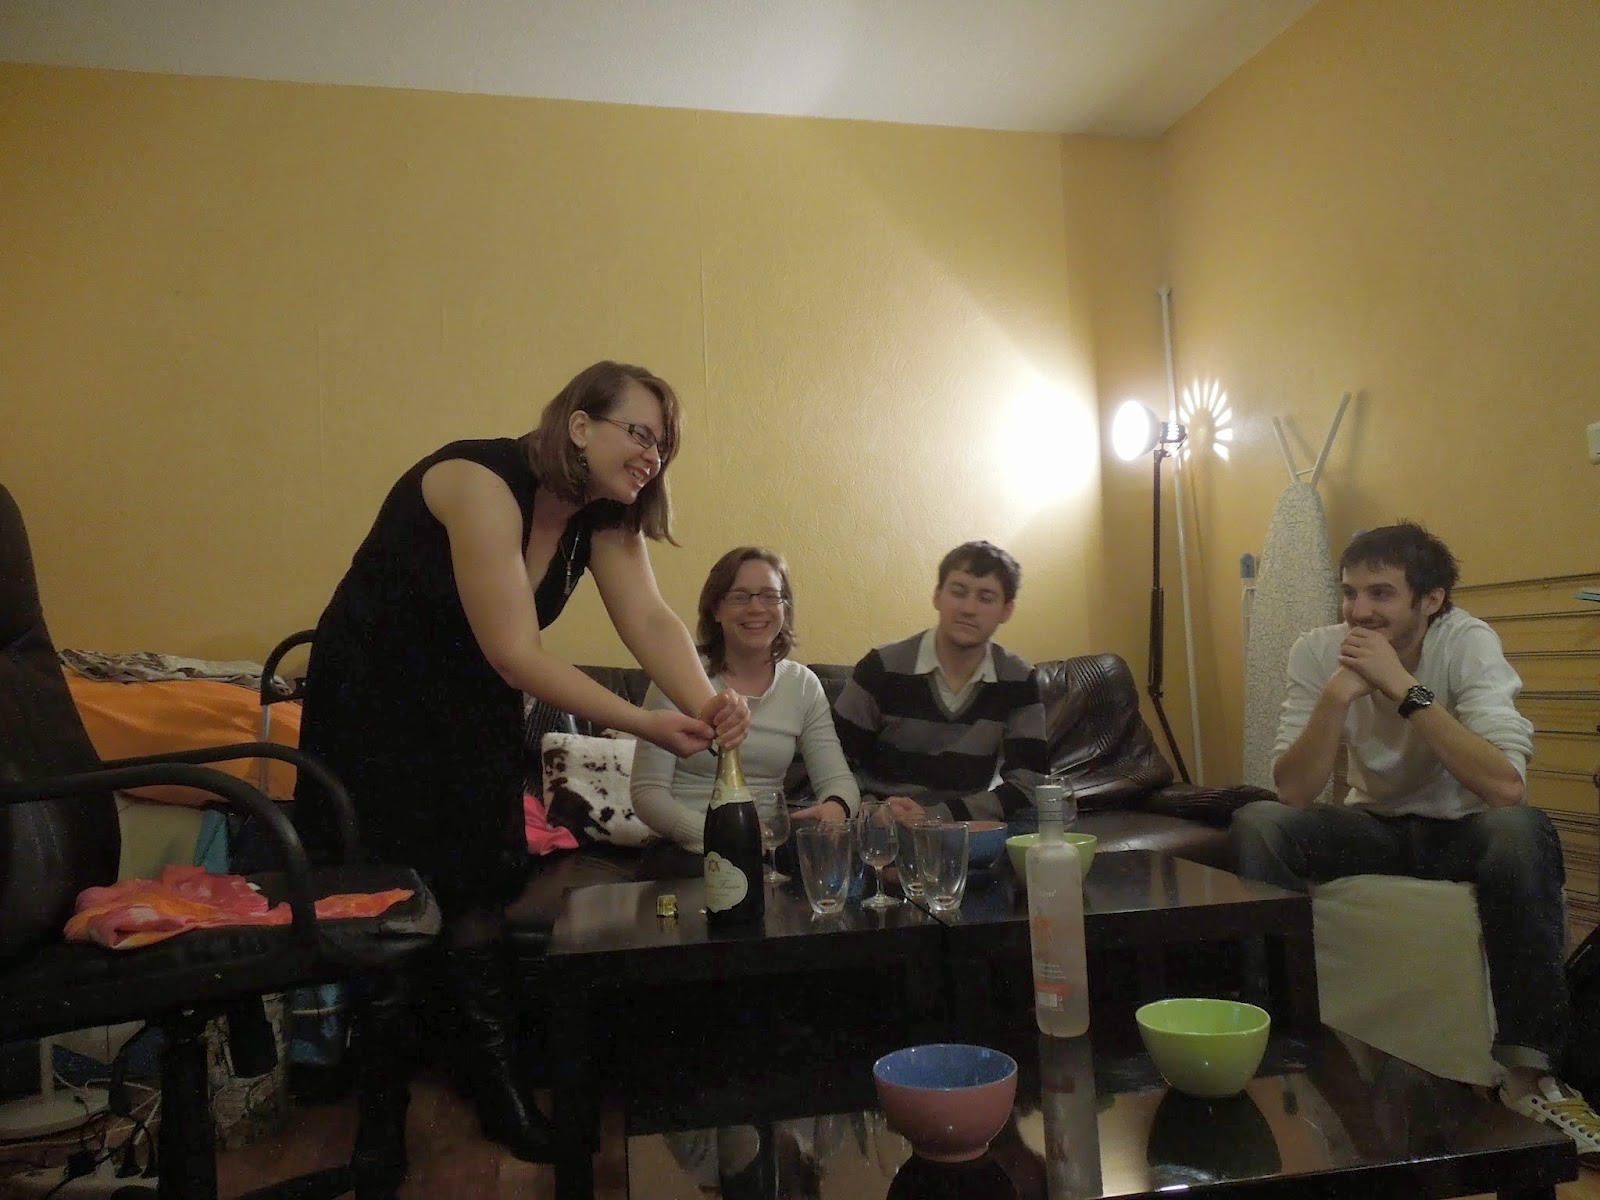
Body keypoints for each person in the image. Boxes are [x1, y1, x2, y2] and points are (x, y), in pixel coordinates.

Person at [293, 360, 749, 1160]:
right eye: (639, 433)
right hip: (373, 707)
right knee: (382, 901)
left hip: (470, 707)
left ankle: (497, 1091)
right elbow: (516, 652)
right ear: (579, 424)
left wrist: (707, 702)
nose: (652, 456)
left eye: (663, 446)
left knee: (478, 892)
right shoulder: (477, 480)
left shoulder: (602, 515)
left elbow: (649, 617)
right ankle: (382, 1116)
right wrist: (645, 723)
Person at [1231, 521, 1600, 1162]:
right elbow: (1292, 792)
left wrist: (1405, 689)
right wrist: (1335, 699)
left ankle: (1530, 1075)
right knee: (1258, 823)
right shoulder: (1318, 650)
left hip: (1465, 830)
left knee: (1522, 830)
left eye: (1381, 594)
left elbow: (1503, 786)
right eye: (1351, 592)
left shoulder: (1467, 642)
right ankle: (1281, 1041)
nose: (1359, 611)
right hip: (1373, 826)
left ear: (1431, 600)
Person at [631, 546, 857, 878]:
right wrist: (725, 838)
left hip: (770, 845)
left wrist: (836, 808)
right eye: (740, 597)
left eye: (770, 596)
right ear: (716, 609)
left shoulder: (803, 685)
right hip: (689, 847)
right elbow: (647, 795)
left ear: (784, 608)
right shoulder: (677, 675)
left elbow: (838, 780)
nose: (756, 608)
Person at [832, 540, 1047, 826]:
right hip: (881, 827)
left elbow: (1029, 782)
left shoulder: (1018, 679)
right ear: (937, 596)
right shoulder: (881, 668)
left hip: (963, 829)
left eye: (985, 598)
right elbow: (832, 764)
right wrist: (873, 811)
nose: (968, 608)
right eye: (958, 592)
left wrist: (936, 817)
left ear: (1006, 610)